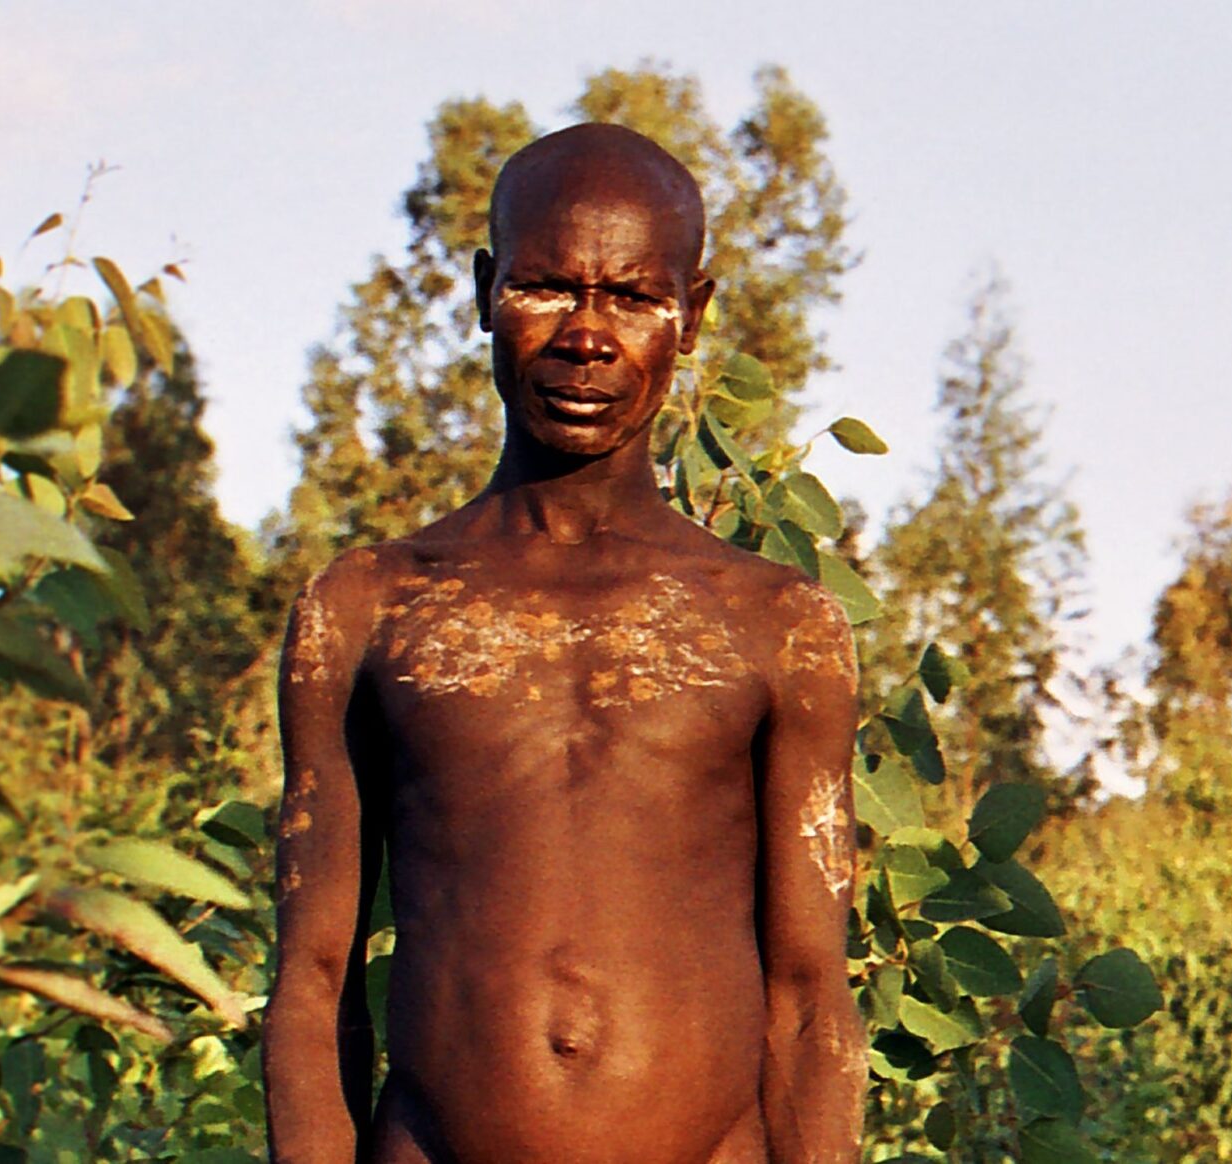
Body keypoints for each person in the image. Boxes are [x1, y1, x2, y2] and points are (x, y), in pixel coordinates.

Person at [264, 123, 863, 1164]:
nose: (587, 337)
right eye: (545, 288)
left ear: (693, 317)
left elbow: (811, 1003)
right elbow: (315, 984)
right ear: (483, 290)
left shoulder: (776, 624)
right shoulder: (369, 608)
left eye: (633, 298)